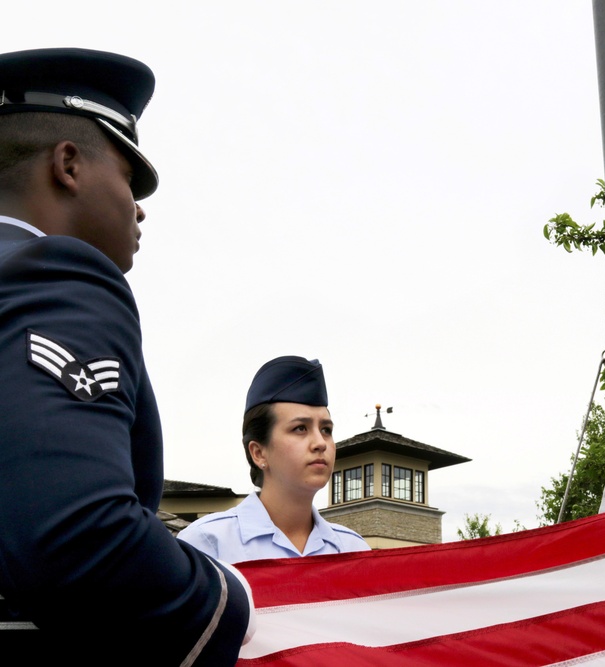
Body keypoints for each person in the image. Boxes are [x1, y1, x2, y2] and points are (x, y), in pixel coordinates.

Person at [0, 48, 251, 664]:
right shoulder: (55, 274)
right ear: (69, 164)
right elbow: (78, 538)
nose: (139, 207)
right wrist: (230, 601)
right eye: (129, 177)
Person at [179, 356, 370, 561]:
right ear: (258, 453)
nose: (320, 443)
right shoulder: (208, 543)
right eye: (300, 428)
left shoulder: (353, 550)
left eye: (326, 429)